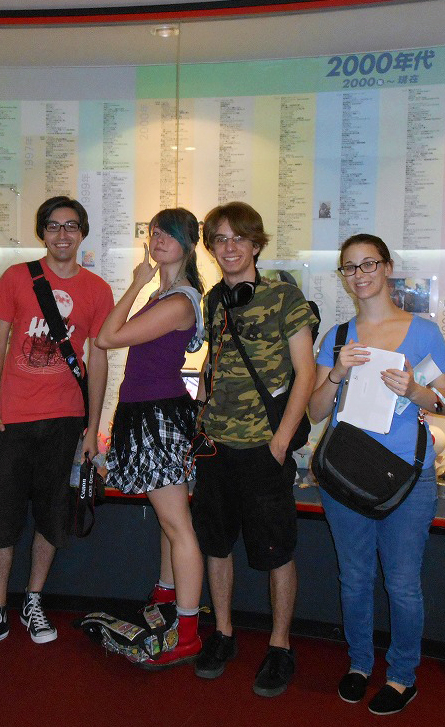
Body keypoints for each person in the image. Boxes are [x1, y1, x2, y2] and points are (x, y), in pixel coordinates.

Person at [308, 233, 445, 716]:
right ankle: (358, 664)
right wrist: (336, 373)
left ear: (388, 267)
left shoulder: (423, 333)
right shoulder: (337, 337)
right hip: (347, 473)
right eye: (350, 267)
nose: (360, 275)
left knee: (402, 583)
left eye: (369, 264)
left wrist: (413, 389)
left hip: (407, 477)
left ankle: (401, 675)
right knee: (354, 578)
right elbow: (315, 412)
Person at [0, 196, 113, 658]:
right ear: (41, 232)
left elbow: (98, 359)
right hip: (12, 419)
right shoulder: (16, 278)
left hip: (65, 420)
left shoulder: (97, 290)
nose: (62, 235)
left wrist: (93, 427)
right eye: (53, 226)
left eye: (71, 226)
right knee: (0, 517)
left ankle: (33, 600)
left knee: (52, 515)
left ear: (82, 233)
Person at [190, 201, 317, 697]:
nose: (229, 247)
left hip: (264, 448)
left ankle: (280, 646)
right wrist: (200, 419)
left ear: (256, 244)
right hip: (216, 447)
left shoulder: (284, 297)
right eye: (220, 239)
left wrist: (280, 443)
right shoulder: (213, 301)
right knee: (216, 544)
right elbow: (213, 364)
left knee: (276, 551)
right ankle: (223, 634)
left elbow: (305, 374)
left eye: (239, 238)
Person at [94, 207, 206, 669]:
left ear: (189, 244)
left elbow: (107, 337)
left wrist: (136, 283)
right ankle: (165, 598)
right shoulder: (166, 294)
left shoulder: (178, 301)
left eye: (170, 234)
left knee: (177, 524)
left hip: (158, 415)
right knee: (169, 519)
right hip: (147, 412)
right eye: (155, 231)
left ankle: (188, 633)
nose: (159, 239)